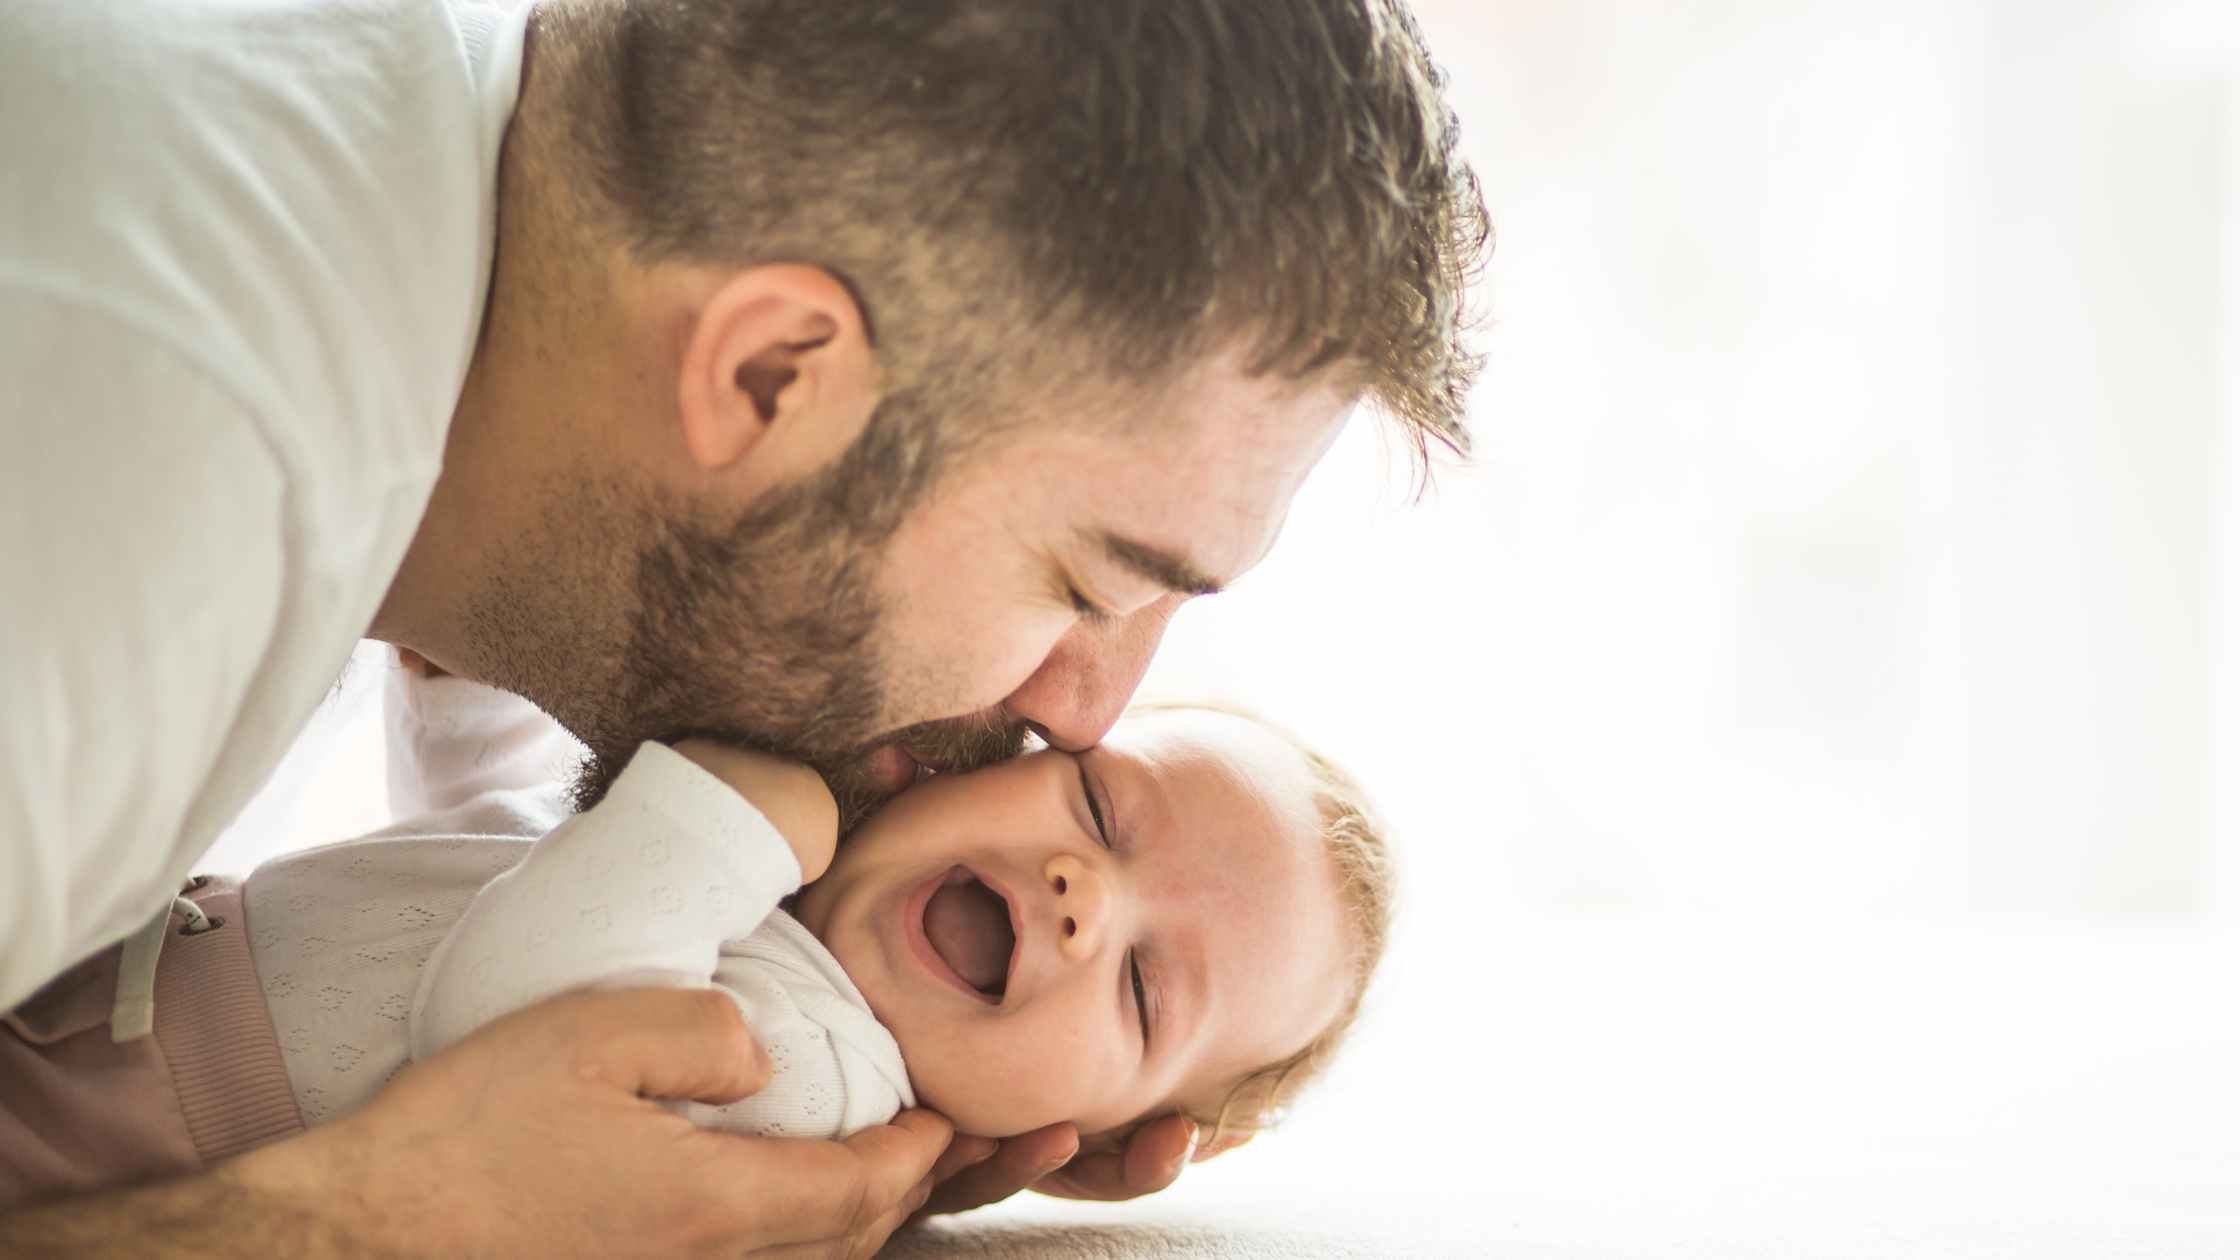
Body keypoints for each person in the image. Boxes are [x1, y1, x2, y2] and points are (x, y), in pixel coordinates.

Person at [0, 0, 1486, 1252]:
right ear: (775, 376)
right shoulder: (122, 516)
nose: (1085, 711)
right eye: (1091, 584)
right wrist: (366, 1220)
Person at [0, 667, 1393, 1213]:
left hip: (103, 1135)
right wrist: (474, 682)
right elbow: (491, 859)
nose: (1090, 898)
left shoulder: (808, 1088)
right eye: (1098, 803)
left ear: (1087, 1138)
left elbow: (513, 1029)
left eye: (1146, 988)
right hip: (91, 992)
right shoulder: (752, 924)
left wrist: (740, 811)